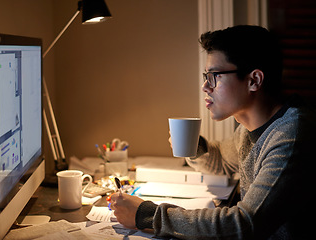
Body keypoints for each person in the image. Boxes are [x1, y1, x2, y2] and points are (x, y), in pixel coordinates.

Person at [109, 25, 316, 239]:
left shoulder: (292, 136)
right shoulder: (250, 128)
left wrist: (147, 215)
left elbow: (243, 224)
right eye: (205, 76)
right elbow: (222, 160)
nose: (205, 86)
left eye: (214, 75)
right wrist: (194, 147)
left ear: (254, 80)